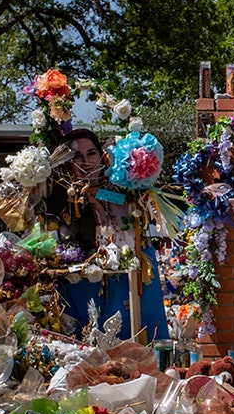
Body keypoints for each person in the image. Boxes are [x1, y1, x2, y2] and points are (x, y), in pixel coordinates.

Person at [50, 128, 170, 341]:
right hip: (85, 290)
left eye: (91, 153)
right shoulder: (59, 202)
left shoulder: (122, 191)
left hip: (131, 285)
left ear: (102, 156)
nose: (85, 162)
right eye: (77, 156)